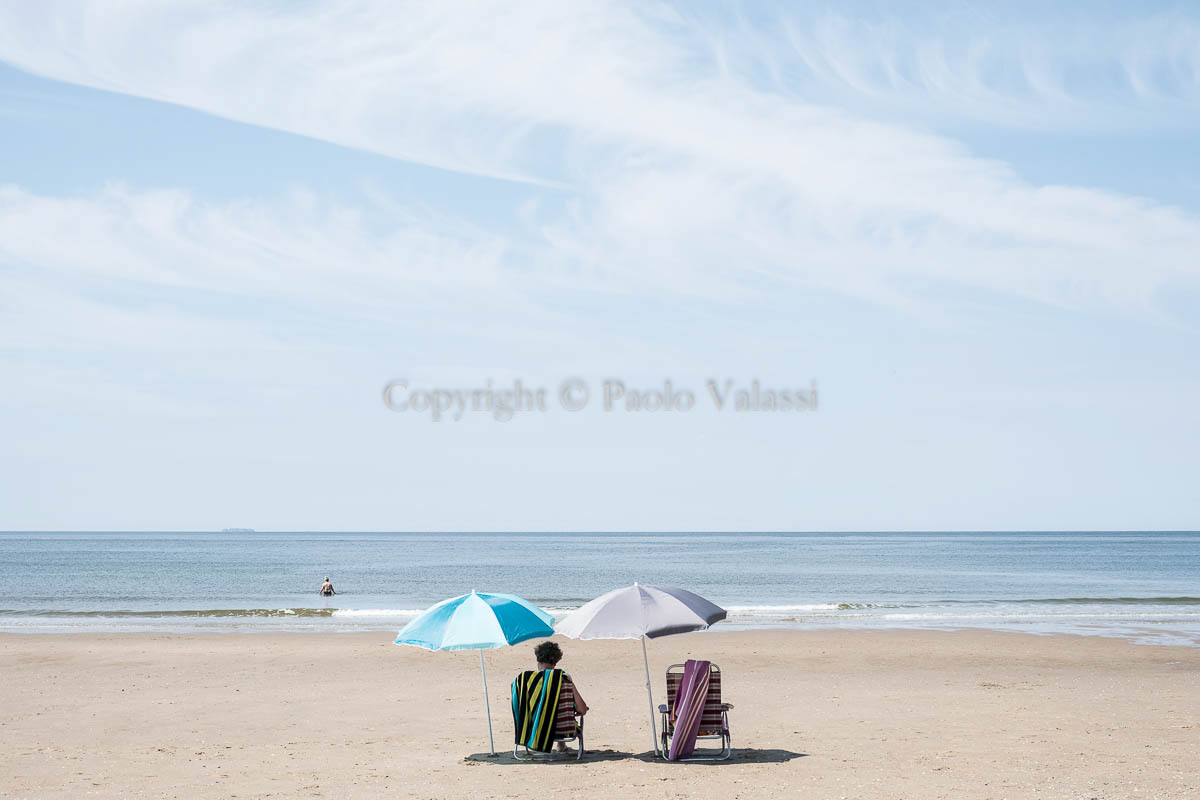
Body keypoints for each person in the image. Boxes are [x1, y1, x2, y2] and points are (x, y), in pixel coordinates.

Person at [533, 640, 588, 752]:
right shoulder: (564, 679)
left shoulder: (526, 682)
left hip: (535, 730)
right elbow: (582, 709)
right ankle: (561, 744)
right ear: (556, 661)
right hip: (563, 730)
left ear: (538, 659)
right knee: (559, 709)